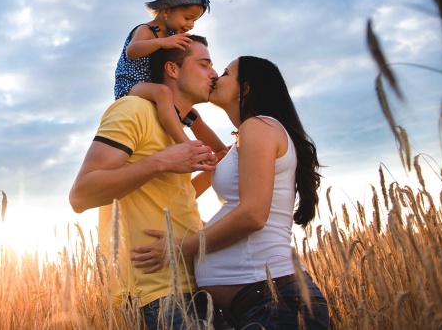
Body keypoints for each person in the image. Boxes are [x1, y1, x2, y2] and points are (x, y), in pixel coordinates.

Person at [131, 56, 331, 329]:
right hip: (260, 303)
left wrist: (182, 247)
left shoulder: (258, 127)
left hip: (274, 302)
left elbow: (252, 215)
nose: (215, 76)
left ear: (245, 88)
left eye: (225, 72)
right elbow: (202, 184)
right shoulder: (249, 136)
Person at [70, 36, 221, 329]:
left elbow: (171, 194)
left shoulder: (177, 127)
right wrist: (162, 161)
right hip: (159, 294)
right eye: (204, 65)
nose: (214, 74)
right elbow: (81, 195)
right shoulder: (134, 109)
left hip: (201, 282)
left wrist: (212, 173)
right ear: (172, 70)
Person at [114, 0, 225, 154]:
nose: (190, 25)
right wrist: (162, 43)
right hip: (131, 86)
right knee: (163, 92)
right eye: (187, 18)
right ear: (165, 11)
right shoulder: (147, 30)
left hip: (154, 87)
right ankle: (184, 144)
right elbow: (132, 51)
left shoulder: (172, 34)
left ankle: (223, 152)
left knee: (193, 115)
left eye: (194, 20)